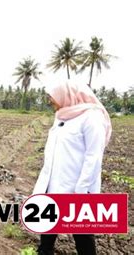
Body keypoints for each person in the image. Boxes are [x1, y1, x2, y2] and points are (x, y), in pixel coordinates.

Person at [33, 82, 112, 255]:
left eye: (52, 96)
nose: (50, 101)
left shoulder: (92, 117)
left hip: (78, 188)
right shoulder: (62, 116)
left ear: (66, 94)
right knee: (47, 229)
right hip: (53, 184)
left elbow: (94, 156)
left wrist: (81, 190)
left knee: (82, 236)